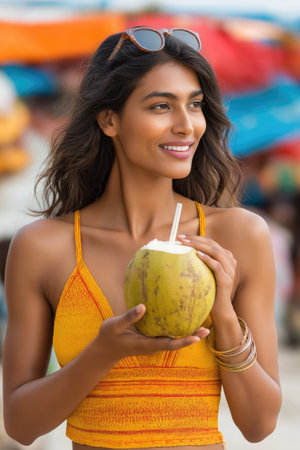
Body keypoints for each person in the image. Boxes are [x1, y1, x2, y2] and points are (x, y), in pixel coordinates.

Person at [3, 27, 281, 450]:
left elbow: (259, 425)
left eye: (195, 105)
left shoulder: (237, 236)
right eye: (161, 107)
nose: (186, 126)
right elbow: (21, 426)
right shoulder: (43, 246)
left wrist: (223, 314)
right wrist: (102, 352)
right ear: (109, 119)